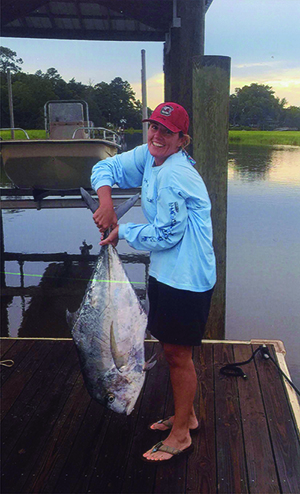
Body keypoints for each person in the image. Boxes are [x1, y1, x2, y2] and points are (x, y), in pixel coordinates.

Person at [91, 102, 216, 463]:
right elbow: (106, 165)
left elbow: (167, 234)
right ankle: (186, 416)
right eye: (154, 128)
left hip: (188, 277)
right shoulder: (151, 157)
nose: (157, 136)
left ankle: (180, 435)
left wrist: (122, 230)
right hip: (165, 271)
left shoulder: (177, 174)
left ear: (182, 139)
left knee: (179, 355)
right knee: (170, 347)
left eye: (167, 131)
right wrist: (105, 201)